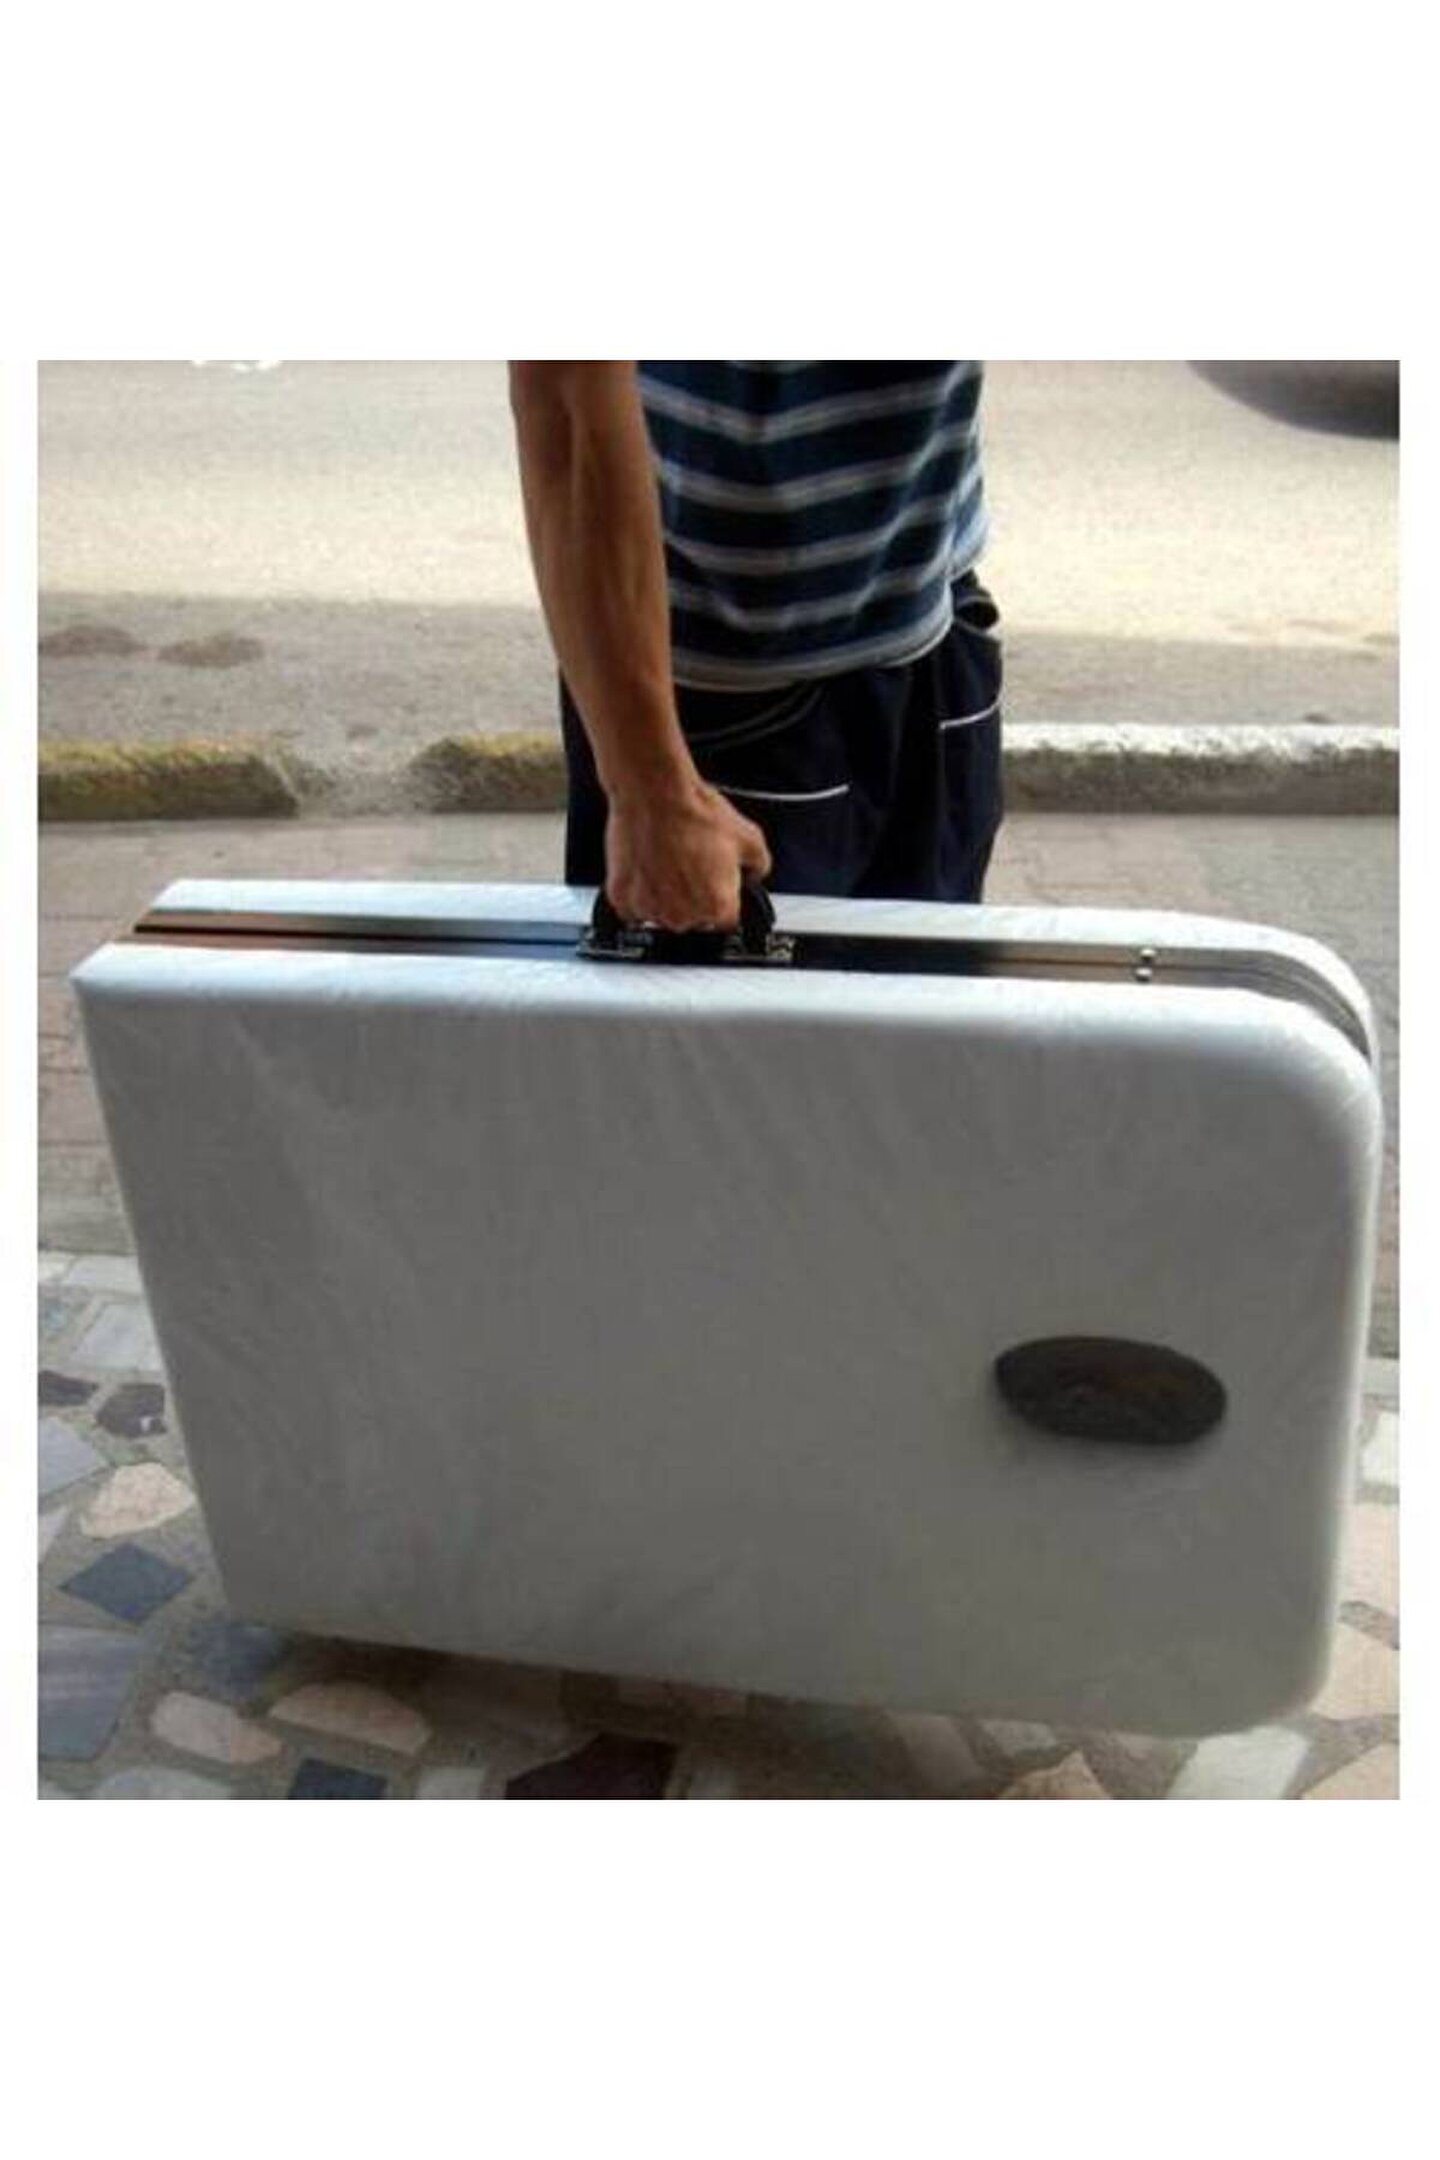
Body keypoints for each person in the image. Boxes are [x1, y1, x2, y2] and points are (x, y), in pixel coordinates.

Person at [509, 360, 1002, 931]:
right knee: (716, 985)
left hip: (934, 603)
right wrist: (650, 789)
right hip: (728, 693)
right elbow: (564, 390)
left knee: (922, 979)